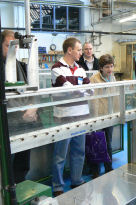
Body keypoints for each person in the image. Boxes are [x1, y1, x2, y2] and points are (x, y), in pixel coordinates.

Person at [0, 30, 38, 183]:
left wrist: (33, 107)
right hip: (3, 124)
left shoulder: (20, 66)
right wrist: (20, 114)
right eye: (8, 46)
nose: (13, 50)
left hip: (24, 122)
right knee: (4, 166)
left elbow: (29, 89)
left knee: (22, 161)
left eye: (15, 47)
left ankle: (20, 186)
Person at [51, 37, 90, 197]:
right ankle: (57, 186)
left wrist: (78, 90)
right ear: (69, 50)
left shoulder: (80, 69)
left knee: (79, 151)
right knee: (60, 154)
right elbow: (68, 89)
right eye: (79, 50)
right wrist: (79, 90)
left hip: (81, 116)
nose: (81, 53)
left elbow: (91, 89)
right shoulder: (56, 69)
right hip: (64, 117)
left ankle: (76, 180)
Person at [89, 54, 118, 179]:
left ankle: (108, 167)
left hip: (109, 115)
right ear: (101, 68)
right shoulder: (94, 79)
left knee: (108, 144)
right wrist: (94, 119)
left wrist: (116, 113)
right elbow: (93, 100)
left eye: (111, 66)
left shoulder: (113, 78)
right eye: (107, 67)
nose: (110, 69)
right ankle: (95, 171)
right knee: (96, 144)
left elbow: (116, 95)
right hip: (98, 117)